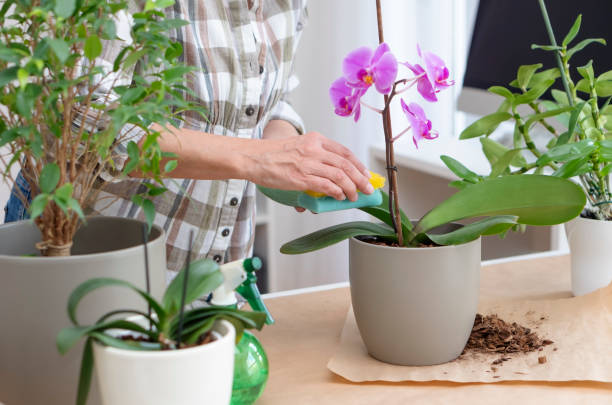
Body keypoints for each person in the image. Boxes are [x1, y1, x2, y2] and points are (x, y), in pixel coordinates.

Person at [3, 0, 373, 277]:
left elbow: (273, 102)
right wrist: (259, 159)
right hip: (89, 256)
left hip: (214, 269)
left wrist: (293, 161)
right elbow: (81, 126)